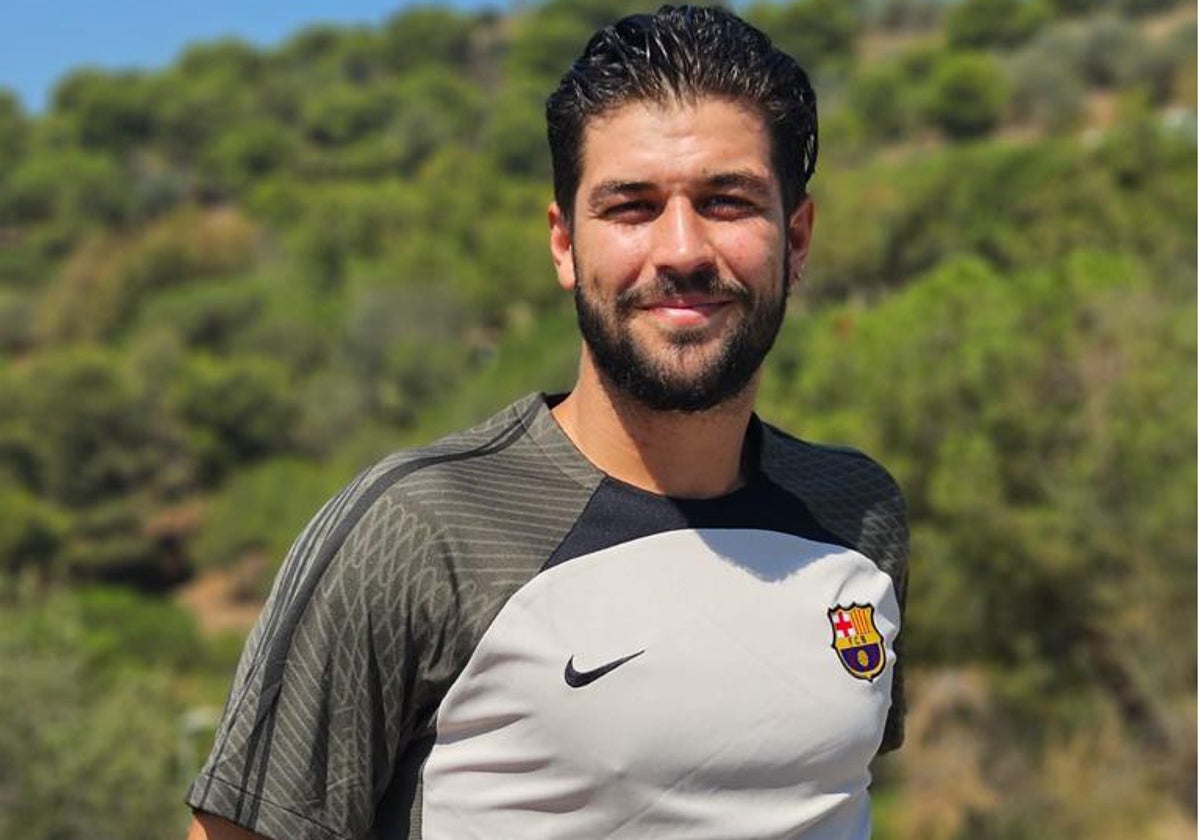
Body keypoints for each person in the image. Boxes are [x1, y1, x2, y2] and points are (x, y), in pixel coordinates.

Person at [185, 5, 908, 839]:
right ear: (564, 244)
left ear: (798, 237)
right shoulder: (418, 532)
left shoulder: (860, 515)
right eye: (631, 207)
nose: (681, 249)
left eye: (727, 201)